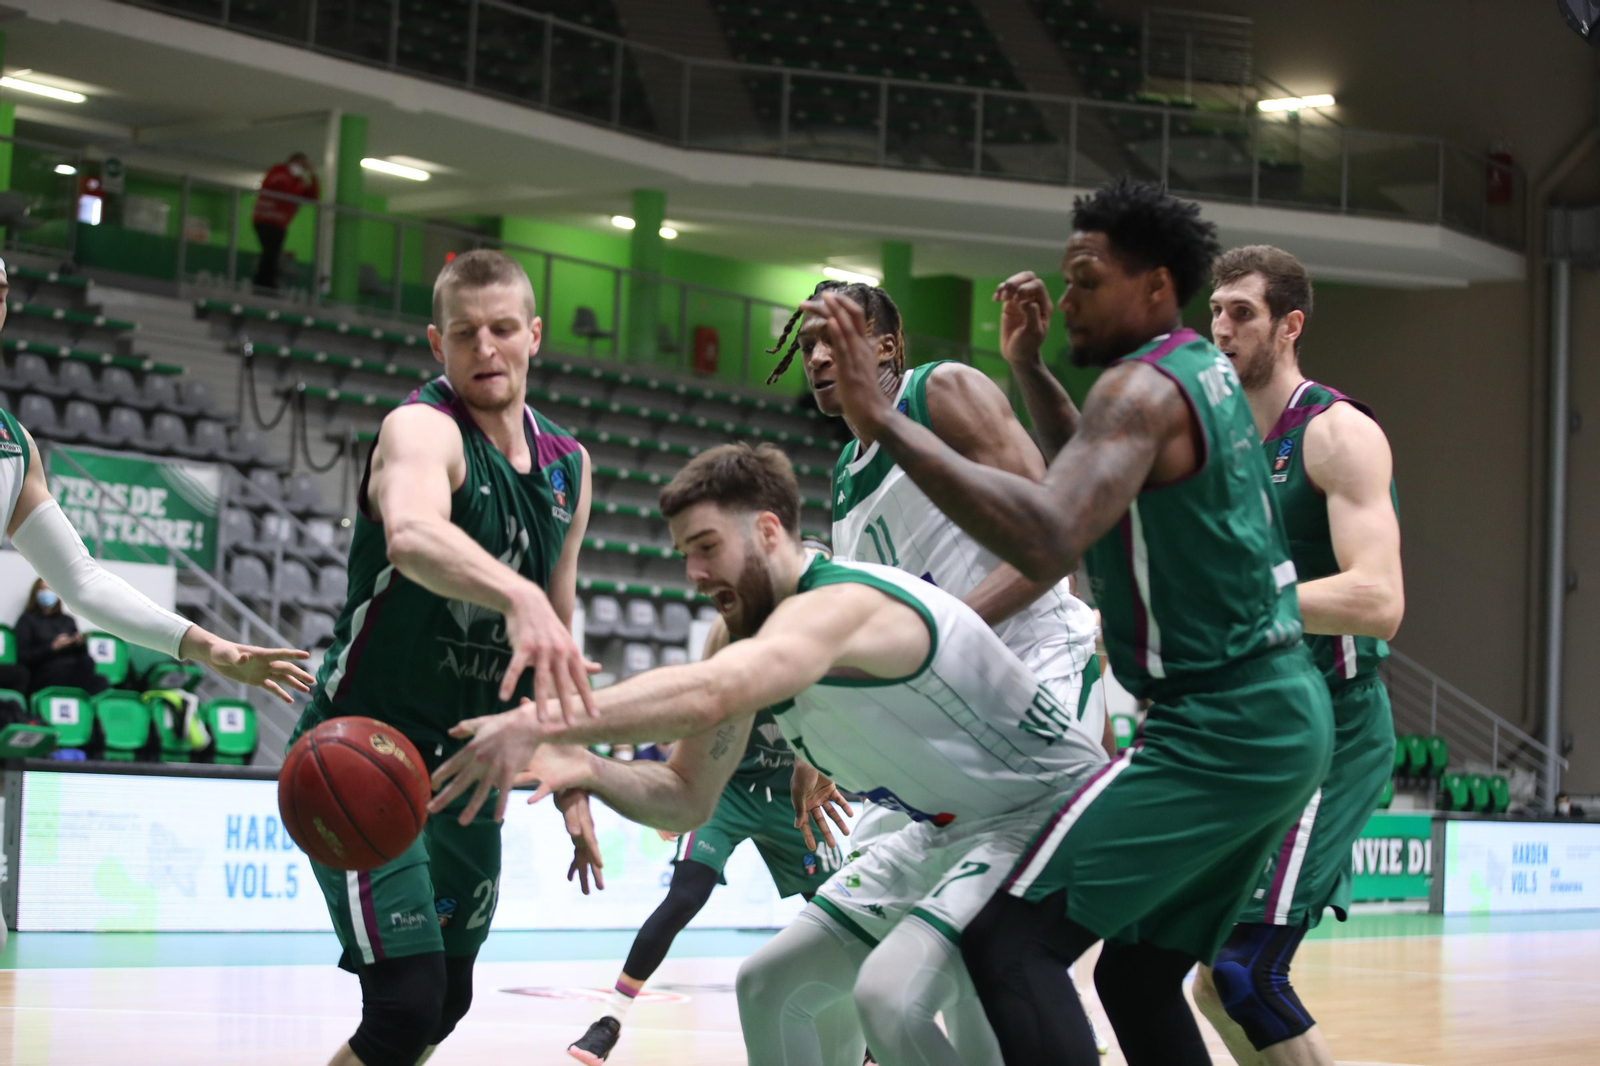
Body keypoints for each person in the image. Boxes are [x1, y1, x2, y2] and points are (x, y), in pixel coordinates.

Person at [817, 177, 1333, 1066]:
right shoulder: (1192, 371)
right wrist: (1028, 368)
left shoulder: (1141, 390)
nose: (1067, 297)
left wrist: (884, 423)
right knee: (1135, 978)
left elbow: (1050, 530)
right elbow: (1085, 466)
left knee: (1007, 943)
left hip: (1224, 728)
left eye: (1088, 278)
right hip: (1269, 716)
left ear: (1156, 284)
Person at [430, 442, 1107, 1066]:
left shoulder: (841, 603)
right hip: (948, 827)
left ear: (767, 532)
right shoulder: (736, 634)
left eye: (706, 548)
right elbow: (688, 793)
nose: (694, 574)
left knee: (892, 998)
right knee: (767, 985)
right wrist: (592, 768)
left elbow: (713, 694)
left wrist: (547, 722)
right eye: (683, 555)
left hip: (1046, 814)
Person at [774, 279, 1114, 1053]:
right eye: (807, 346)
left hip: (1037, 670)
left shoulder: (942, 393)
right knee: (878, 947)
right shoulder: (847, 472)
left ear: (888, 348)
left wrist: (949, 630)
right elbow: (871, 628)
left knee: (985, 943)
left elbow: (1055, 534)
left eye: (837, 339)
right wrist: (825, 741)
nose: (819, 357)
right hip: (952, 708)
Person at [293, 249, 600, 1066]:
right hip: (365, 746)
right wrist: (518, 595)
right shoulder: (421, 428)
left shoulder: (569, 466)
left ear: (535, 336)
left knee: (447, 1000)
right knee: (404, 1003)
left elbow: (558, 622)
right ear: (439, 343)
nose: (486, 348)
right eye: (466, 333)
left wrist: (568, 757)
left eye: (504, 329)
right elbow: (414, 535)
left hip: (469, 765)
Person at [1188, 245, 1404, 1066]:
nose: (1222, 327)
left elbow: (1380, 602)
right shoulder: (1225, 442)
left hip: (1332, 727)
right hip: (1254, 728)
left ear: (1290, 325)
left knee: (1248, 974)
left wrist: (1240, 608)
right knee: (1212, 981)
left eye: (1241, 312)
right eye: (1215, 310)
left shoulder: (1337, 434)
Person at [565, 615, 846, 1065]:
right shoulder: (732, 650)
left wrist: (827, 767)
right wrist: (679, 792)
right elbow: (695, 721)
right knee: (683, 898)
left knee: (843, 910)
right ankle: (609, 1020)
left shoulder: (824, 657)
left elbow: (842, 729)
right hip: (726, 793)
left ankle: (864, 1035)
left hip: (792, 797)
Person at [15, 578, 107, 695]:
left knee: (98, 676)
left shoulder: (67, 620)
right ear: (35, 594)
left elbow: (81, 653)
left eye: (50, 589)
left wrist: (79, 643)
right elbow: (23, 657)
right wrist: (52, 647)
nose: (46, 593)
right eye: (42, 589)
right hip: (45, 671)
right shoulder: (27, 620)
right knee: (64, 669)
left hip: (73, 669)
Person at [252, 151, 319, 291]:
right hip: (265, 218)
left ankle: (267, 283)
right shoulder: (278, 172)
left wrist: (313, 175)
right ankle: (263, 284)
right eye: (299, 163)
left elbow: (313, 197)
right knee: (270, 252)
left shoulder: (299, 182)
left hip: (280, 223)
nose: (301, 167)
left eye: (304, 165)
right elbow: (279, 187)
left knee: (273, 253)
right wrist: (294, 180)